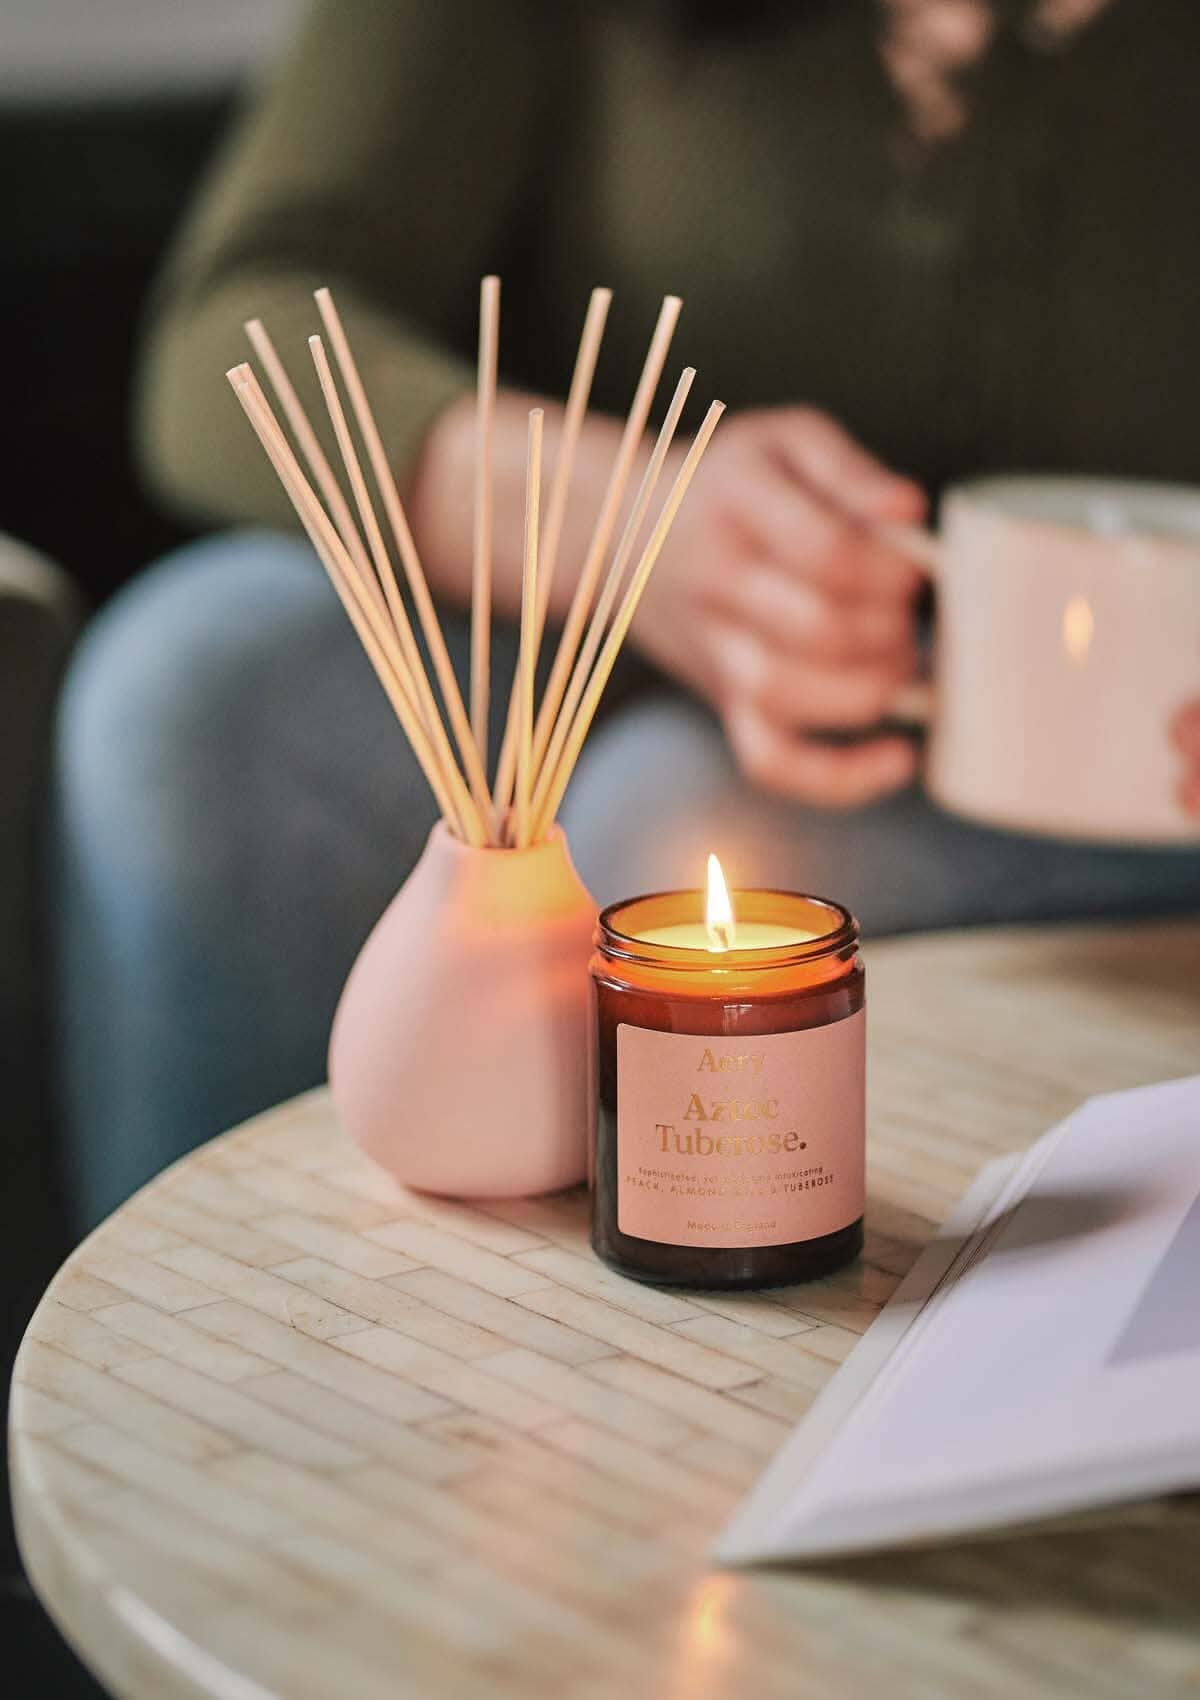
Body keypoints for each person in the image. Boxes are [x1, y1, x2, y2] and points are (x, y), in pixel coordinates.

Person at [56, 0, 1200, 1227]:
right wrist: (630, 526)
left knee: (681, 840)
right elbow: (236, 331)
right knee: (198, 693)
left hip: (1108, 758)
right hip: (558, 603)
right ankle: (231, 1346)